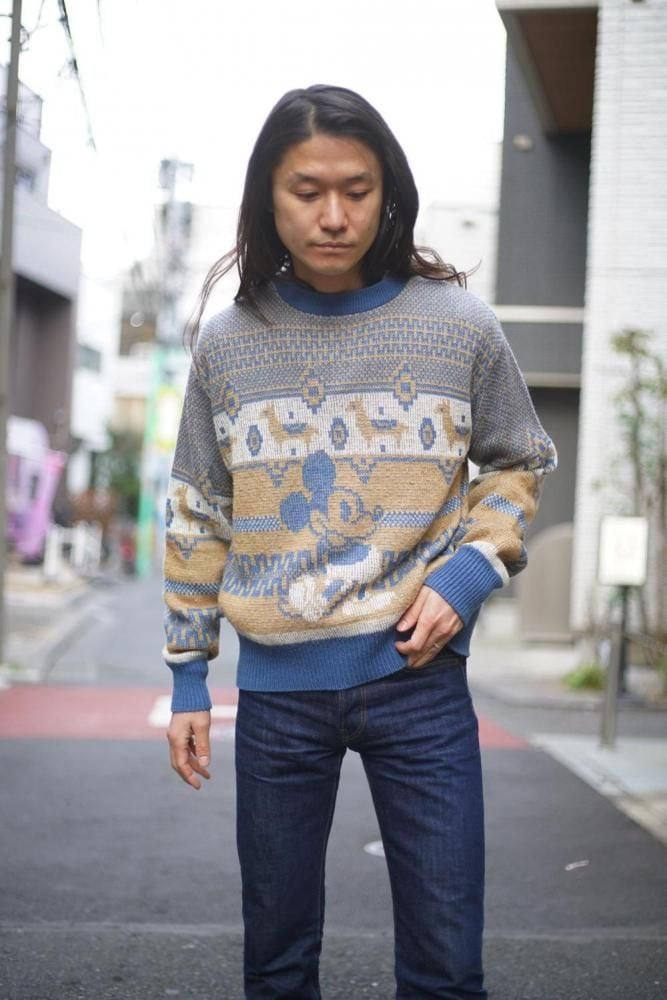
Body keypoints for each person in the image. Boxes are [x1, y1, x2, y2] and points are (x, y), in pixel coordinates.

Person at [163, 84, 557, 1000]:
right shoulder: (225, 345)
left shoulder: (459, 325)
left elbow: (518, 460)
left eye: (356, 189)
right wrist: (188, 676)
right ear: (268, 197)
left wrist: (469, 572)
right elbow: (197, 512)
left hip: (420, 683)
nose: (333, 216)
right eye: (307, 191)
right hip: (276, 697)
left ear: (390, 195)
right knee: (276, 968)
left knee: (446, 969)